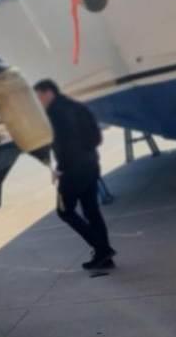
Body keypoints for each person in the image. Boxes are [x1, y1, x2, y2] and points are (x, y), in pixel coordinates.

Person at [33, 79, 117, 270]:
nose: (39, 102)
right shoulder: (77, 106)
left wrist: (60, 169)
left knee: (65, 211)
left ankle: (102, 249)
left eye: (39, 97)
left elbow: (65, 145)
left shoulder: (54, 113)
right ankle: (104, 257)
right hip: (91, 165)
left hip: (71, 171)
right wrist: (87, 154)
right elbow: (97, 137)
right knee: (92, 211)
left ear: (48, 93)